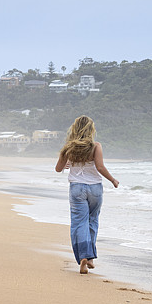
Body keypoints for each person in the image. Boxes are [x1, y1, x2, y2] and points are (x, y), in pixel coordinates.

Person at [55, 115, 120, 274]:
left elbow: (58, 169)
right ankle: (90, 258)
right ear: (91, 130)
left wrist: (69, 164)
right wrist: (113, 180)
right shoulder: (96, 146)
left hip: (77, 189)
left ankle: (84, 256)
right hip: (95, 189)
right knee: (92, 220)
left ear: (74, 129)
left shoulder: (68, 148)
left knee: (79, 223)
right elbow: (100, 167)